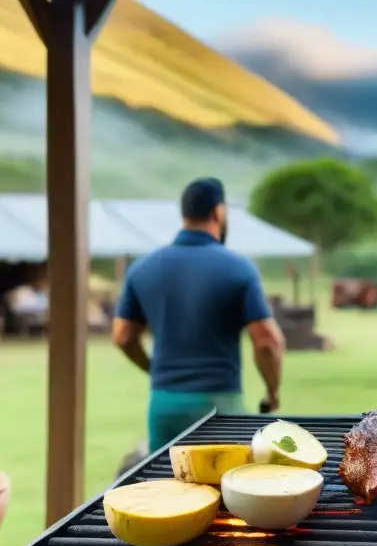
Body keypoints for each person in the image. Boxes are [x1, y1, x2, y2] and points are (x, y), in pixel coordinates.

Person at [112, 178, 286, 451]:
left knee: (166, 485)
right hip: (219, 407)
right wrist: (272, 389)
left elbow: (122, 336)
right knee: (224, 488)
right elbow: (267, 342)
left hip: (164, 405)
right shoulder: (239, 268)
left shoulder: (142, 268)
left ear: (185, 214)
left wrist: (155, 370)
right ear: (217, 212)